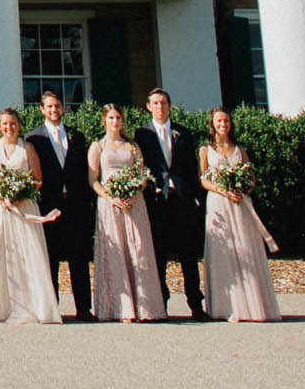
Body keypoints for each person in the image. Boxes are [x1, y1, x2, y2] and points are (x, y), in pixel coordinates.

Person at [200, 106, 281, 323]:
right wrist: (223, 190)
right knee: (223, 252)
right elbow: (203, 179)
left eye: (226, 121)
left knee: (246, 249)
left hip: (239, 204)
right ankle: (227, 307)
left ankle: (253, 306)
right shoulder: (206, 150)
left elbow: (251, 178)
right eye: (219, 121)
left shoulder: (239, 150)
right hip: (218, 203)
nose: (223, 125)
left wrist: (242, 189)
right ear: (212, 124)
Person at [0, 107, 61, 325]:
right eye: (5, 124)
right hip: (0, 209)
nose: (9, 127)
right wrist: (0, 196)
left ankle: (35, 306)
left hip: (25, 208)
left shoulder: (28, 148)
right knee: (5, 256)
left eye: (13, 123)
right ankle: (4, 307)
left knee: (28, 255)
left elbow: (37, 180)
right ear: (0, 126)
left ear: (19, 125)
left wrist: (19, 195)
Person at [133, 87, 207, 321]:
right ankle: (160, 305)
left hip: (182, 201)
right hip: (157, 203)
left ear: (169, 106)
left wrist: (195, 197)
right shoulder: (141, 135)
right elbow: (140, 167)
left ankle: (196, 304)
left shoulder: (183, 133)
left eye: (163, 103)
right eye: (155, 103)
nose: (160, 107)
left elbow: (191, 168)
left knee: (188, 255)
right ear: (148, 106)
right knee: (159, 255)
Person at [89, 103, 165, 323]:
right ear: (105, 120)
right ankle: (120, 308)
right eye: (111, 118)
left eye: (119, 118)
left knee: (138, 250)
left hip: (134, 203)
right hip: (109, 204)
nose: (115, 122)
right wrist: (110, 196)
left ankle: (145, 307)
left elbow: (142, 174)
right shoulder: (98, 146)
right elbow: (92, 179)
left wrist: (134, 192)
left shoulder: (132, 146)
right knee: (116, 252)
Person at [26, 89, 94, 321]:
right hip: (49, 205)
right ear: (42, 110)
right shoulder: (33, 139)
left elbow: (85, 171)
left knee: (79, 259)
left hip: (75, 205)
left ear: (62, 108)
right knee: (51, 259)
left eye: (57, 106)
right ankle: (52, 308)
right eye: (49, 107)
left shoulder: (78, 136)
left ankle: (84, 308)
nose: (54, 110)